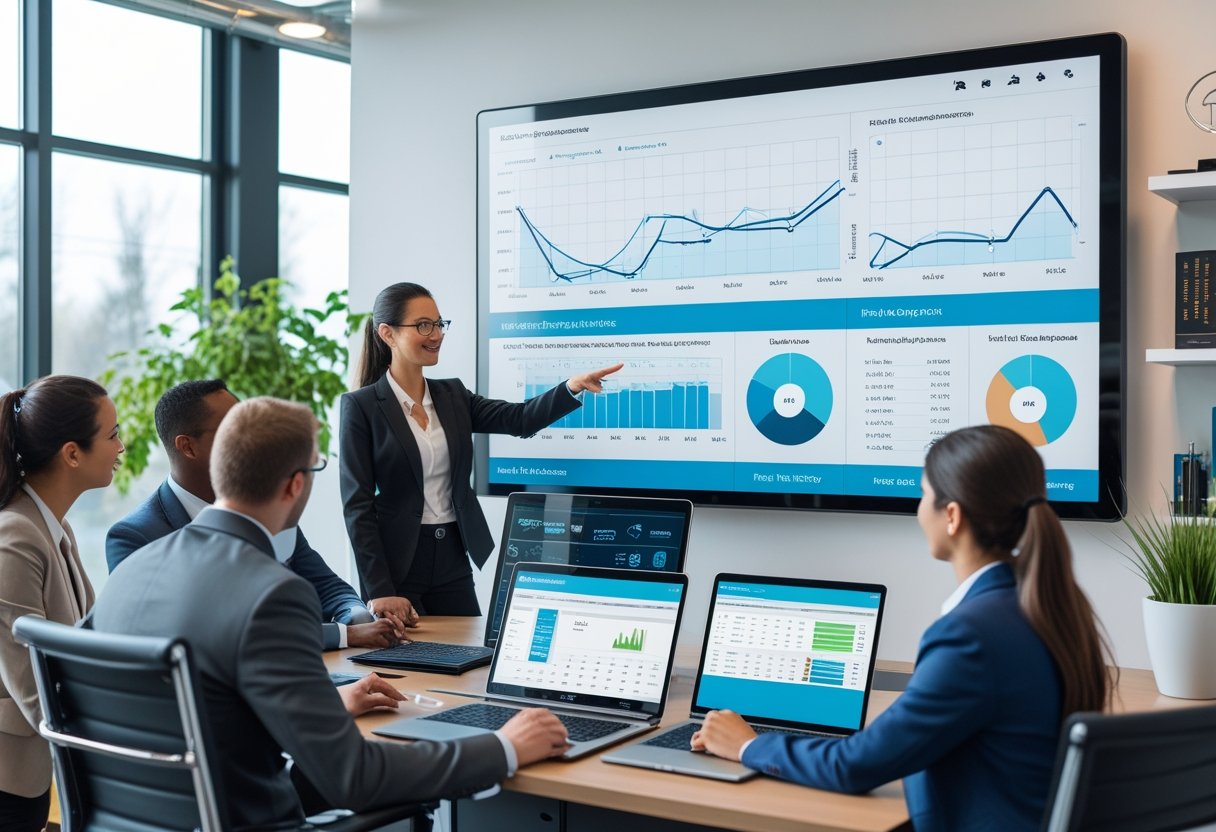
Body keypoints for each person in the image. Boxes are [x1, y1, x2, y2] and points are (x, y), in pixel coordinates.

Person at [91, 397, 569, 828]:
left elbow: (198, 710)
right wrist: (504, 746)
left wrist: (322, 708)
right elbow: (355, 777)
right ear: (296, 484)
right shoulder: (272, 593)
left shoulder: (133, 568)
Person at [691, 425, 1114, 832]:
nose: (919, 509)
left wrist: (747, 745)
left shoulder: (970, 636)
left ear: (952, 516)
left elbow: (854, 766)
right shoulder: (1047, 603)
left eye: (923, 494)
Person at [340, 282, 621, 614]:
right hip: (397, 564)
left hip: (452, 557)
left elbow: (519, 420)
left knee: (470, 644)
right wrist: (379, 589)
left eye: (439, 323)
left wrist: (571, 388)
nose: (436, 335)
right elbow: (357, 507)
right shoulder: (361, 407)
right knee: (406, 648)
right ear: (388, 334)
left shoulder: (453, 396)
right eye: (423, 325)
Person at [105, 379, 414, 649]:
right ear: (188, 447)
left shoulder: (264, 510)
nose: (247, 438)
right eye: (231, 429)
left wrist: (359, 617)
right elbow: (211, 635)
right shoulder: (135, 537)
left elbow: (327, 585)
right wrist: (344, 635)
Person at [0, 375, 124, 832]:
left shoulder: (54, 527)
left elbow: (83, 644)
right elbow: (35, 693)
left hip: (33, 775)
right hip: (10, 782)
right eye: (112, 435)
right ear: (72, 453)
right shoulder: (15, 536)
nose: (121, 447)